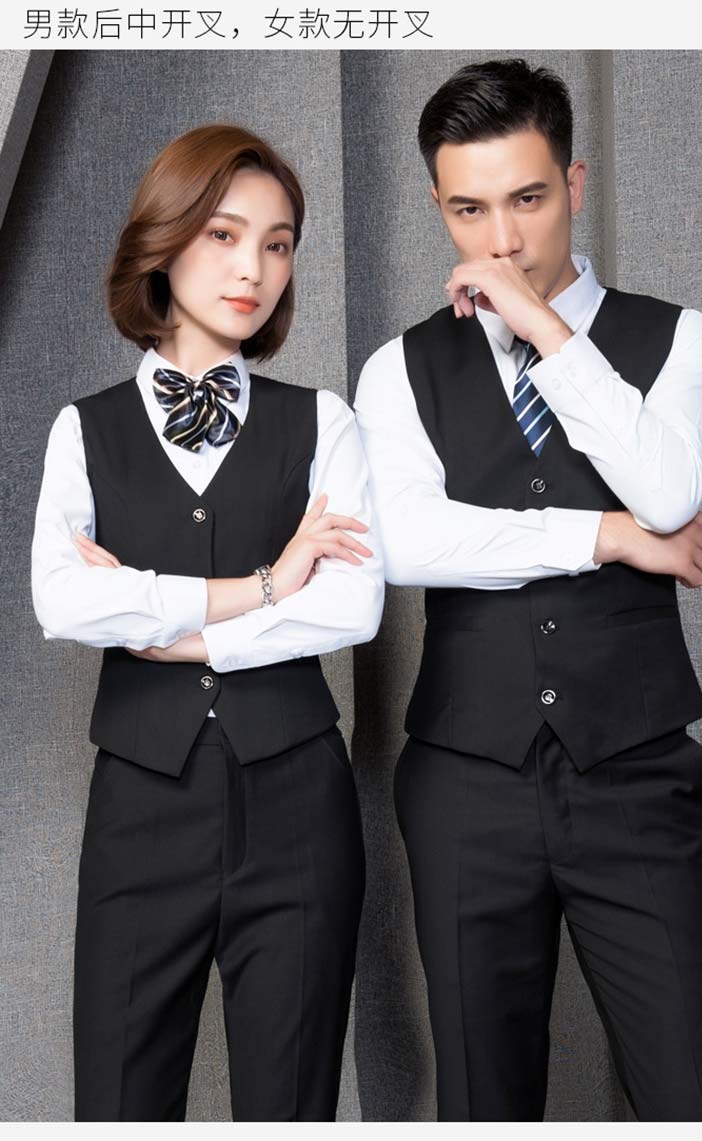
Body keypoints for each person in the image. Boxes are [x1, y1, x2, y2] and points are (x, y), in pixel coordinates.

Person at [354, 59, 702, 1122]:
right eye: (468, 210)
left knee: (697, 1097)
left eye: (527, 199)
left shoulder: (678, 338)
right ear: (439, 206)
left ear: (573, 182)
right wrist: (606, 536)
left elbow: (668, 490)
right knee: (483, 1101)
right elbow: (408, 544)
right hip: (465, 783)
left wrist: (545, 330)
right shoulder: (398, 370)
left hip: (634, 773)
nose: (501, 240)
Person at [31, 123, 384, 1121]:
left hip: (298, 808)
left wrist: (167, 626)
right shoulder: (84, 430)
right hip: (140, 810)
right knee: (119, 1105)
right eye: (225, 234)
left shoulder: (325, 423)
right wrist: (269, 585)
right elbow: (65, 600)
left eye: (278, 244)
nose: (253, 269)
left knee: (292, 1106)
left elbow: (352, 604)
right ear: (165, 237)